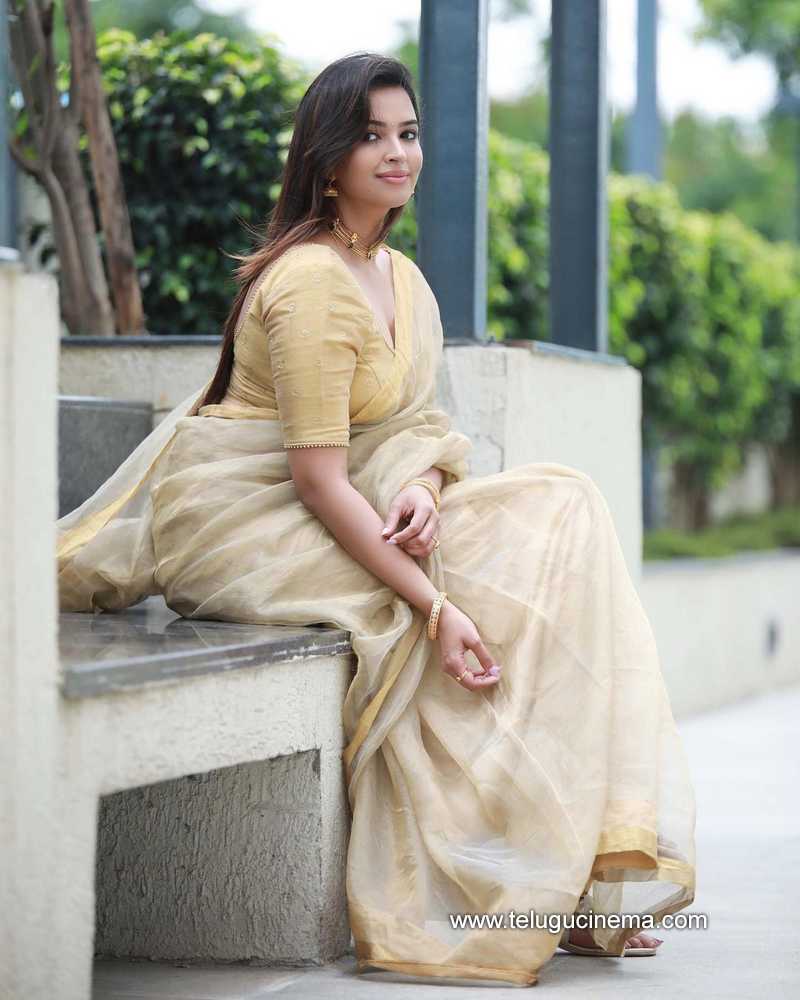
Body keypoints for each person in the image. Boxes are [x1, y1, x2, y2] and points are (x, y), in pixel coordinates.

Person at [57, 53, 696, 988]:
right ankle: (530, 882)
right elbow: (317, 478)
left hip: (336, 501)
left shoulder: (399, 279)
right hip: (245, 522)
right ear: (326, 158)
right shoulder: (311, 281)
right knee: (484, 588)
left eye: (407, 133)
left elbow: (413, 430)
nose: (398, 154)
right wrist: (435, 608)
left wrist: (423, 489)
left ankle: (569, 874)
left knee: (565, 510)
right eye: (371, 136)